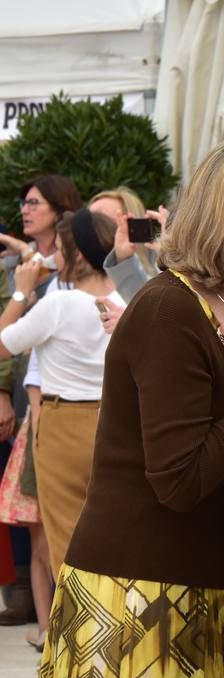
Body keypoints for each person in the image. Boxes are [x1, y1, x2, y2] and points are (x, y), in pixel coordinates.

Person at [39, 134, 224, 678]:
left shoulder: (219, 310)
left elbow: (202, 448)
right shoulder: (172, 308)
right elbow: (179, 478)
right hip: (139, 601)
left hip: (185, 588)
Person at [0, 210, 120, 578]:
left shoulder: (58, 304)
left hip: (62, 423)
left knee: (66, 538)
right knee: (110, 535)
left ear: (79, 256)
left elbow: (2, 344)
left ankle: (73, 627)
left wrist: (21, 290)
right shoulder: (126, 300)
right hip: (115, 424)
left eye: (62, 250)